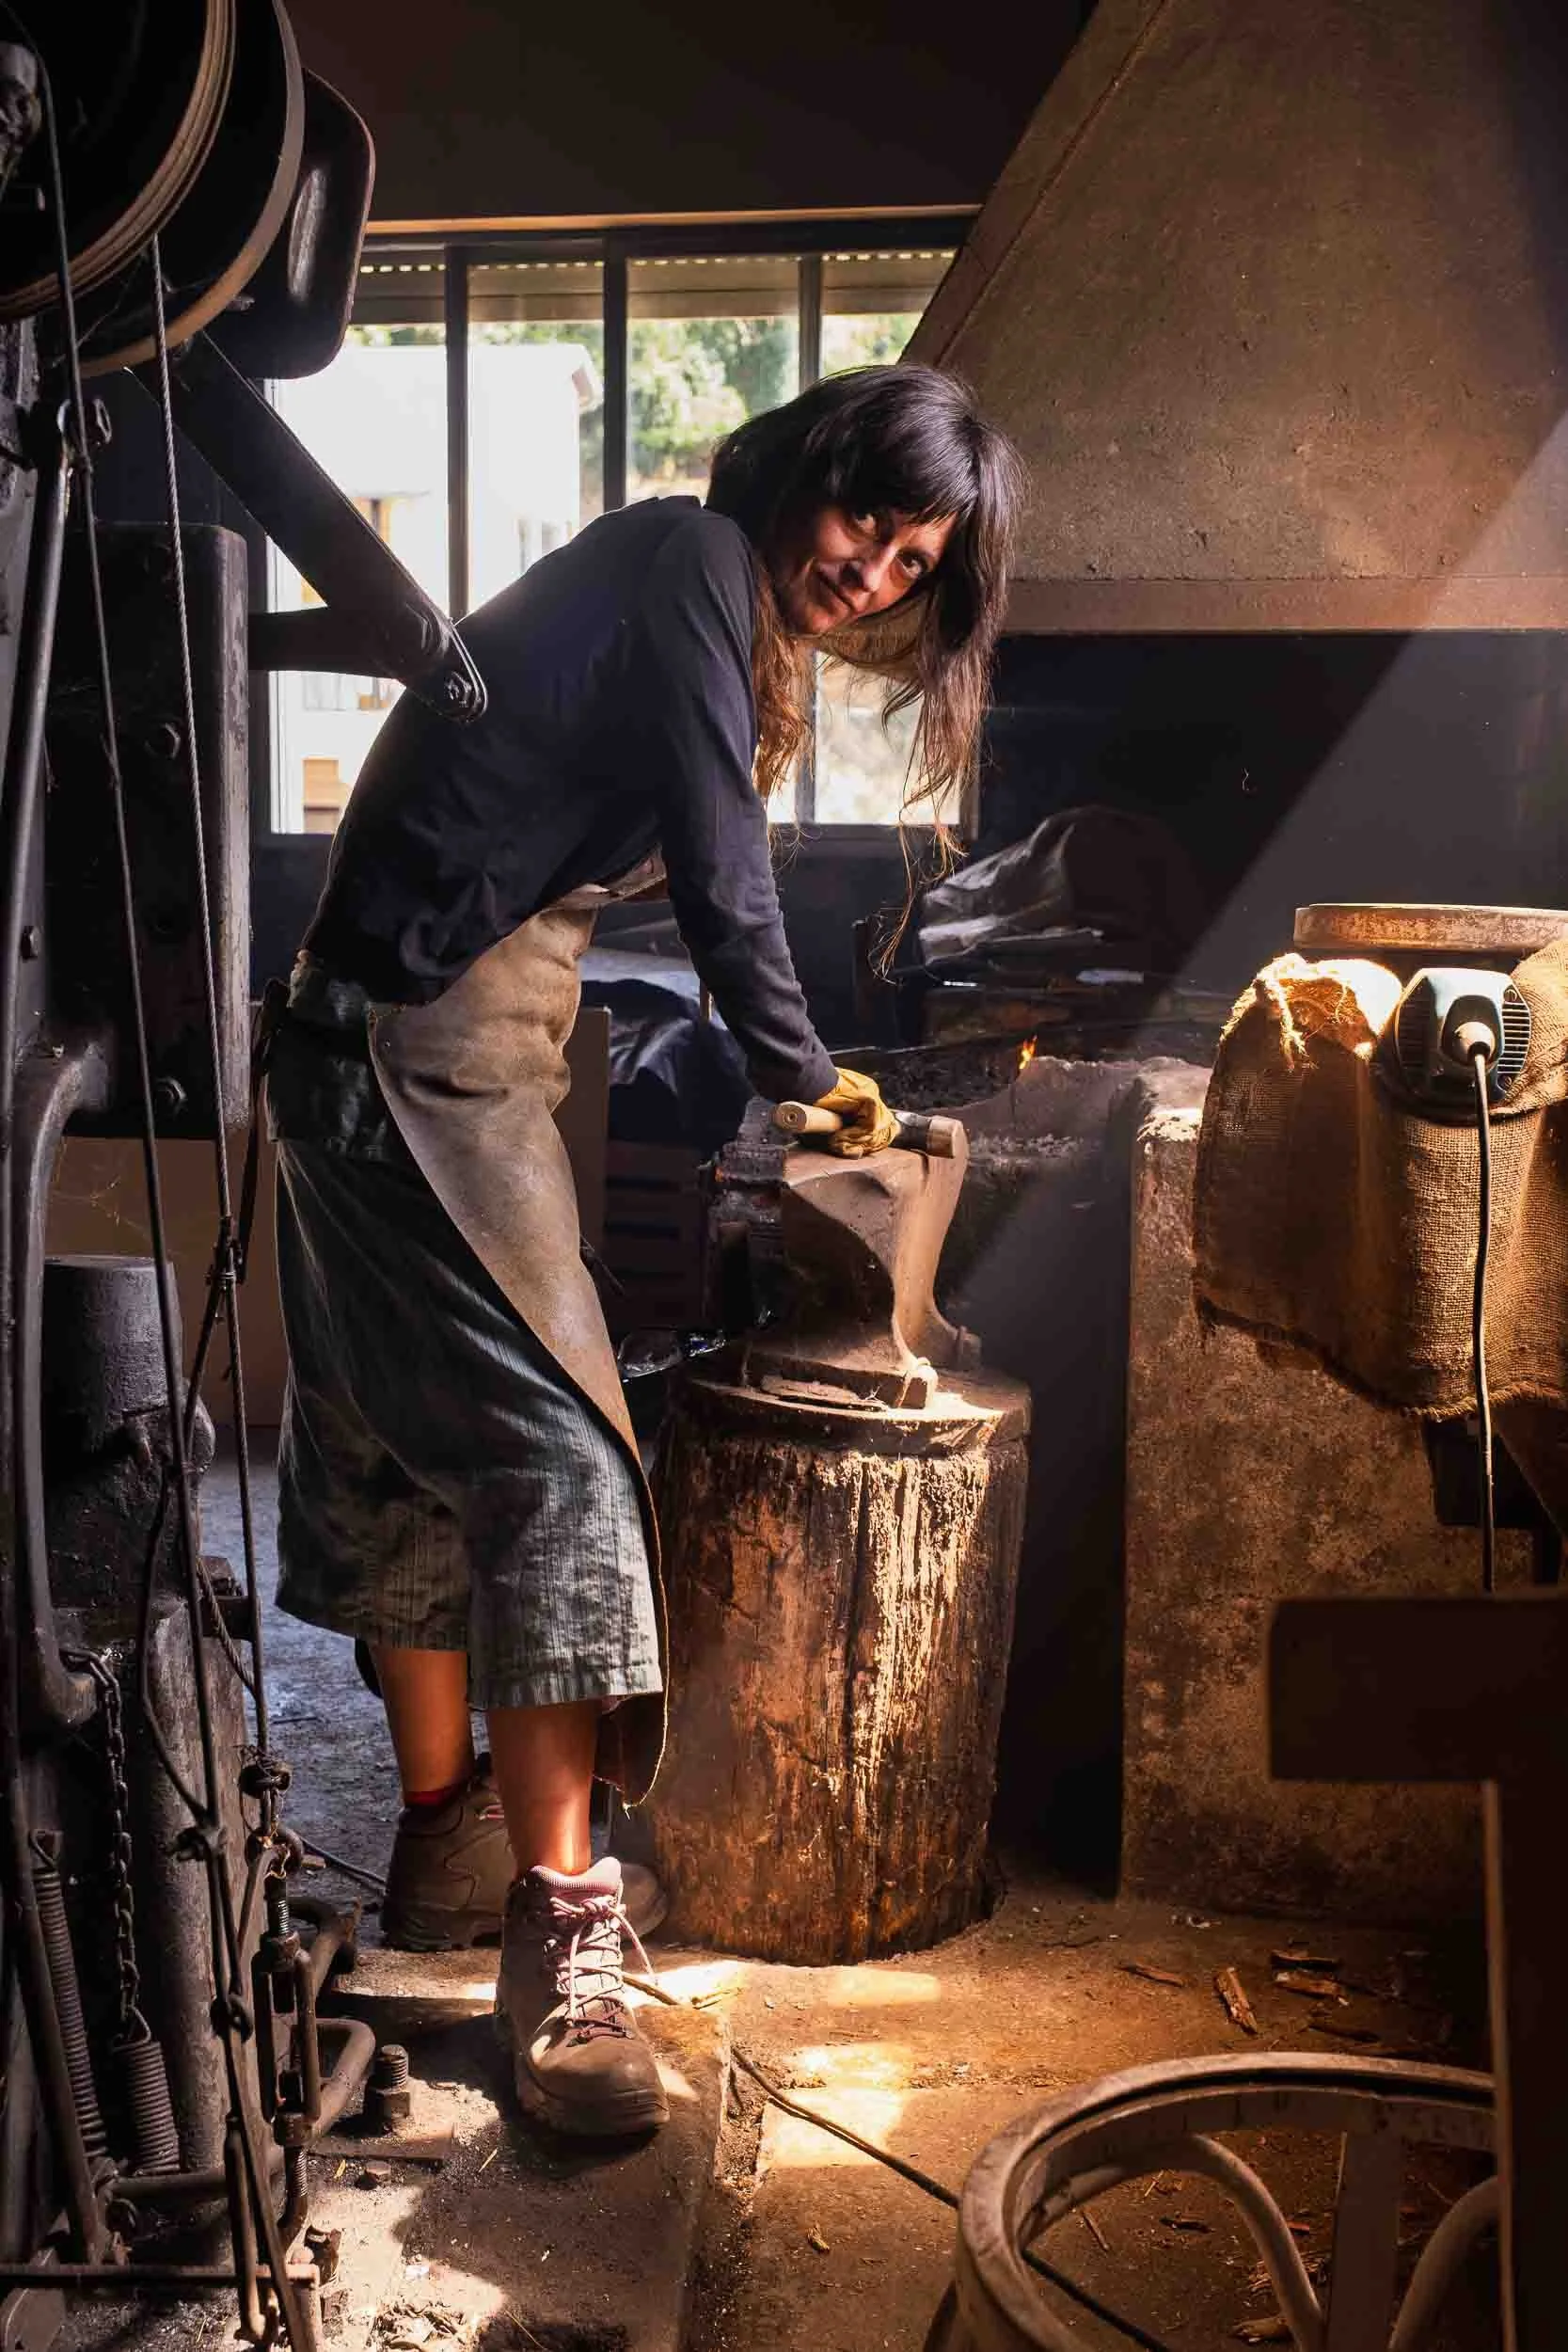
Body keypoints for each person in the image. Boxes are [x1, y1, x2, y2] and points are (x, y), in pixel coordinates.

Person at [265, 364, 1022, 2139]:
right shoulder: (688, 556)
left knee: (413, 1455)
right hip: (409, 1043)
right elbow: (722, 855)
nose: (871, 571)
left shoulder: (706, 590)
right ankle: (561, 1940)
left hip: (412, 1034)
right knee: (559, 1460)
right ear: (803, 470)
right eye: (865, 518)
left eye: (910, 560)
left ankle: (449, 1856)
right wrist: (803, 1078)